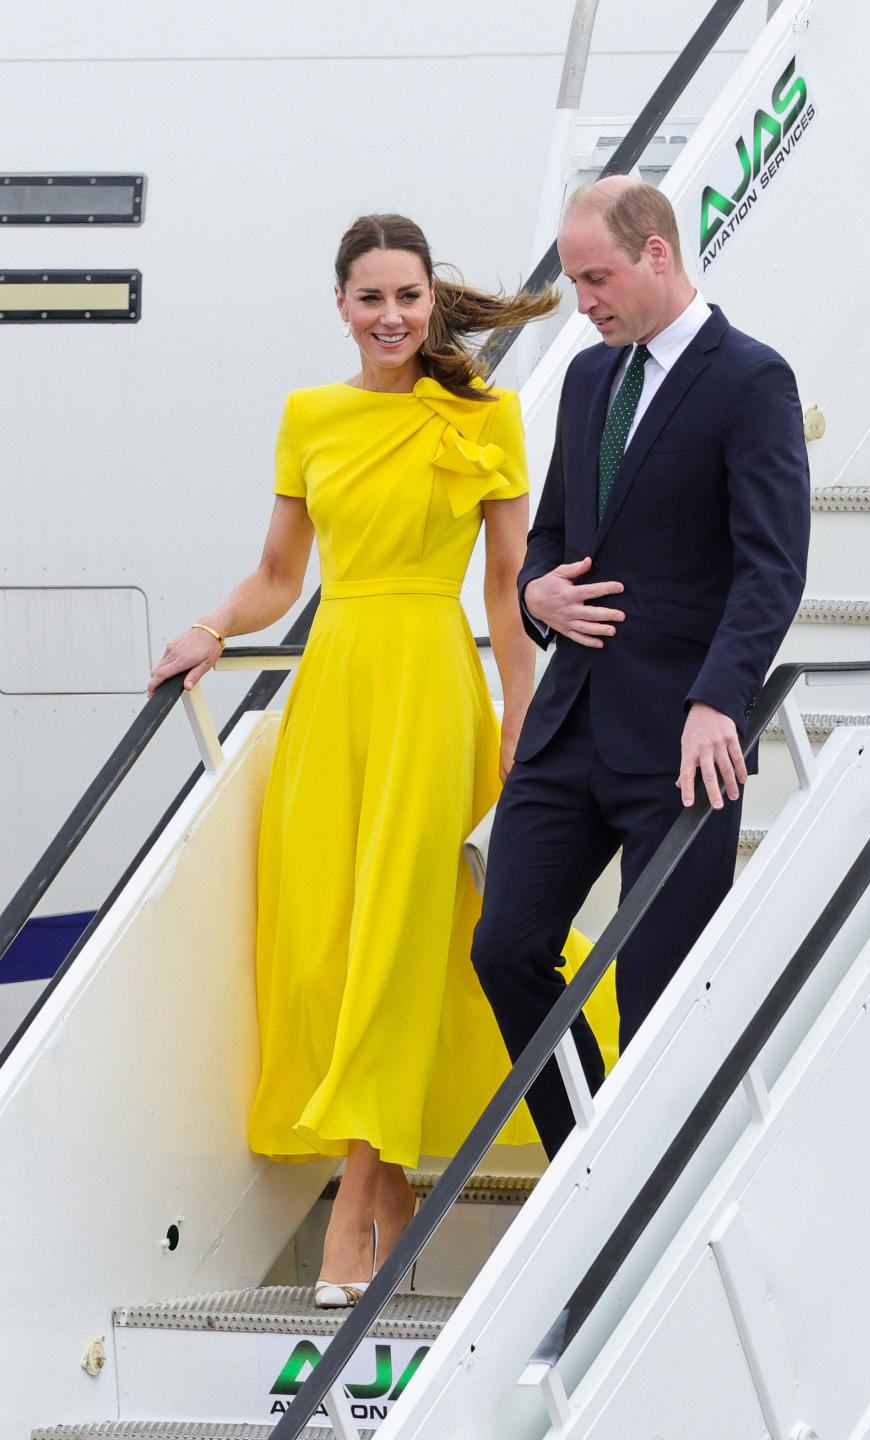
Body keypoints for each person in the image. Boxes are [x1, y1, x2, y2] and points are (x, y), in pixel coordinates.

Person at [146, 214, 596, 1306]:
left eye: (409, 296)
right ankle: (388, 1176)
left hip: (432, 690)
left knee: (398, 934)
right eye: (371, 299)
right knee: (333, 949)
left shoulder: (482, 416)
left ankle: (352, 1213)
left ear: (432, 300)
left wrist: (518, 711)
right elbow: (277, 576)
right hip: (334, 688)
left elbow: (505, 587)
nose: (392, 317)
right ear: (341, 306)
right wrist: (211, 627)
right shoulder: (310, 417)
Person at [471, 176, 811, 1160]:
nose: (585, 302)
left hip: (680, 743)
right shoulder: (587, 379)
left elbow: (772, 563)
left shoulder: (750, 380)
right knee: (505, 950)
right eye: (577, 282)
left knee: (655, 982)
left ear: (657, 252)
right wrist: (536, 594)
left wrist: (720, 699)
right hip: (569, 724)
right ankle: (594, 1157)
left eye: (597, 278)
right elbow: (553, 539)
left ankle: (638, 1186)